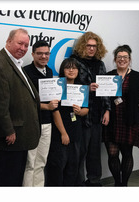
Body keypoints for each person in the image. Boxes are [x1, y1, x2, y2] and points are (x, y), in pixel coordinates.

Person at [0, 28, 40, 186]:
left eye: (26, 45)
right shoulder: (0, 65)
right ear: (8, 42)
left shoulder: (14, 62)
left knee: (15, 180)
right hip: (9, 140)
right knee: (7, 182)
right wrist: (8, 130)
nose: (23, 48)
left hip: (19, 138)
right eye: (20, 43)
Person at [70, 32, 111, 186]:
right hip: (81, 115)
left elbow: (106, 90)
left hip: (98, 115)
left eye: (94, 46)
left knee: (95, 153)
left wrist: (107, 110)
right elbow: (69, 86)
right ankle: (78, 182)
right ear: (83, 46)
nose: (92, 49)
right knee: (79, 153)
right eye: (89, 45)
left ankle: (94, 181)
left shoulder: (100, 64)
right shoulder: (73, 62)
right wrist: (87, 88)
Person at [103, 45, 139, 186]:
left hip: (130, 121)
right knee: (112, 154)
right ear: (115, 59)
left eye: (125, 57)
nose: (122, 59)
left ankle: (124, 185)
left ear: (129, 59)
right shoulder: (108, 76)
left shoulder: (138, 77)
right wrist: (106, 110)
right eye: (119, 57)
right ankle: (117, 183)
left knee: (127, 154)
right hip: (111, 120)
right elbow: (103, 98)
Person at [46, 57, 88, 186]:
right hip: (61, 132)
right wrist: (63, 133)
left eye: (74, 68)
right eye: (68, 67)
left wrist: (80, 112)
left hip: (76, 130)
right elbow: (55, 111)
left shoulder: (82, 87)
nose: (71, 70)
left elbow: (86, 109)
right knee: (58, 166)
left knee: (73, 166)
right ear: (62, 70)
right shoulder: (57, 86)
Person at [22, 40, 59, 187]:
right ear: (32, 54)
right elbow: (24, 101)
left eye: (46, 53)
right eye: (39, 53)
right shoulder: (25, 72)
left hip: (47, 122)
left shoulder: (49, 71)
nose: (43, 56)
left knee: (41, 162)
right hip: (31, 123)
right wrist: (46, 106)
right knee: (30, 163)